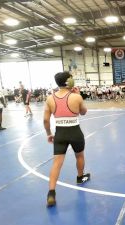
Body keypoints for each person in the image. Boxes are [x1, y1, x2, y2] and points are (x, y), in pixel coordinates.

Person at [44, 71, 90, 207]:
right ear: (68, 81)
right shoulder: (76, 97)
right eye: (72, 78)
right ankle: (80, 177)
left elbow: (46, 120)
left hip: (60, 133)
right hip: (75, 132)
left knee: (57, 163)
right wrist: (78, 95)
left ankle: (51, 193)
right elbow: (83, 112)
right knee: (79, 156)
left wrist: (48, 133)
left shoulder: (50, 98)